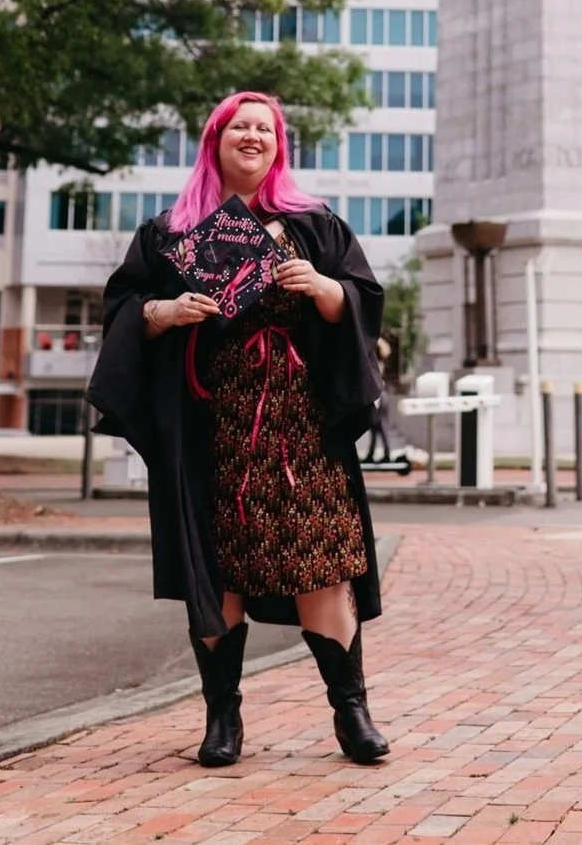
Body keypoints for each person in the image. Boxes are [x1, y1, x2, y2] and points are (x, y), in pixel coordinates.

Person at [87, 92, 389, 768]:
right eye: (239, 127)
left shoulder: (314, 226)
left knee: (321, 559)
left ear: (278, 145)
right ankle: (223, 718)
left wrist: (321, 287)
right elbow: (125, 309)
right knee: (216, 566)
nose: (252, 137)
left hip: (302, 427)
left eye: (265, 129)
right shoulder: (170, 232)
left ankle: (351, 711)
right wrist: (162, 312)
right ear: (215, 140)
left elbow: (361, 302)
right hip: (210, 428)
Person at [364, 338, 393, 463]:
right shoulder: (377, 362)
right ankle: (372, 453)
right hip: (380, 394)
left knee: (380, 426)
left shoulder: (376, 363)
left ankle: (386, 453)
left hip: (379, 395)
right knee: (375, 427)